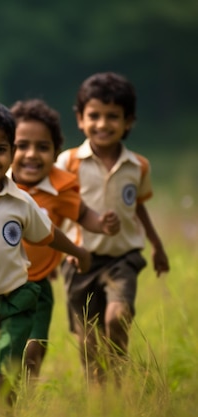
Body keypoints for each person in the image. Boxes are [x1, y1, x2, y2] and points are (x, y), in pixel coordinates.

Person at [0, 99, 91, 405]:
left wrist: (78, 252)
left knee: (2, 375)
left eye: (0, 150)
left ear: (11, 153)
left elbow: (47, 234)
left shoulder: (22, 201)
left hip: (14, 299)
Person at [56, 71, 170, 383]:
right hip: (80, 259)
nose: (103, 124)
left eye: (113, 116)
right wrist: (49, 252)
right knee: (88, 337)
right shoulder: (68, 162)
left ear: (128, 121)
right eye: (94, 115)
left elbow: (140, 207)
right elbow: (53, 208)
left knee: (118, 316)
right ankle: (99, 393)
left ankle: (118, 376)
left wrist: (157, 246)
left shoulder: (138, 166)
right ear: (80, 119)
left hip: (124, 257)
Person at [8, 98, 121, 380]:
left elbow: (83, 214)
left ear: (56, 152)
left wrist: (101, 223)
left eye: (42, 147)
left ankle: (26, 396)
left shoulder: (59, 187)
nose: (32, 154)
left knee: (34, 346)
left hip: (37, 285)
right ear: (5, 146)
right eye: (21, 145)